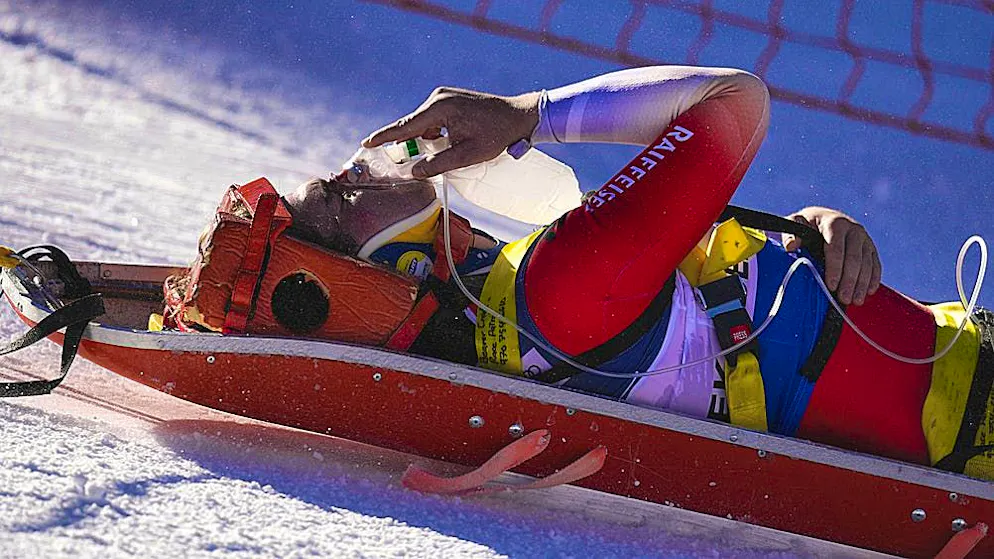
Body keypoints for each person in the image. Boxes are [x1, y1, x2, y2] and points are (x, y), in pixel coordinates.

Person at [282, 65, 993, 480]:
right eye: (338, 195)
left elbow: (714, 280)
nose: (353, 166)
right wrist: (528, 113)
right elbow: (735, 101)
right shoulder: (554, 291)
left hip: (952, 360)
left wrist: (812, 227)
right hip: (973, 406)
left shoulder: (518, 303)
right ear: (379, 276)